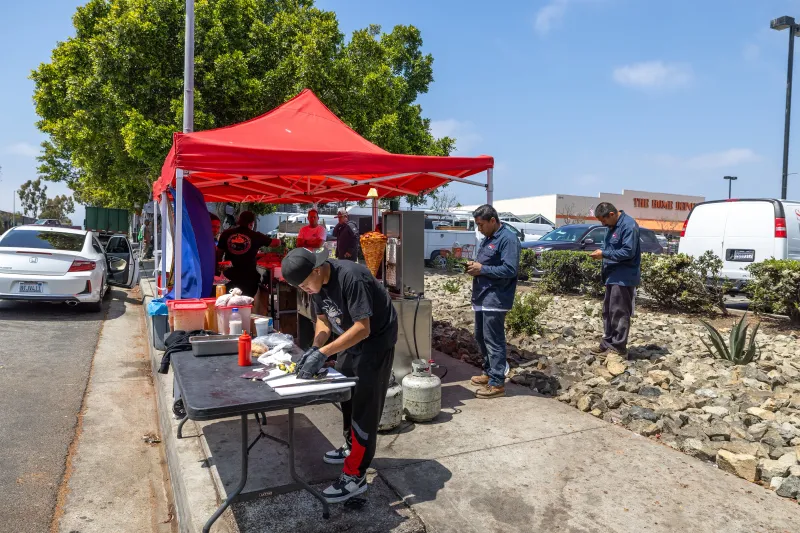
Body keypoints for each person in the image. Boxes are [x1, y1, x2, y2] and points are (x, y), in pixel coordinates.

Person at [281, 247, 397, 503]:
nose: (305, 290)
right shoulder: (316, 286)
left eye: (304, 284)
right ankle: (350, 446)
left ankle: (356, 476)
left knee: (365, 407)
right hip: (349, 338)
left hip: (375, 342)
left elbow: (363, 328)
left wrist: (325, 352)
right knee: (345, 393)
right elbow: (323, 320)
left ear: (316, 270)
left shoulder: (351, 277)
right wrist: (316, 348)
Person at [465, 204, 520, 399]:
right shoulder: (488, 238)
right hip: (482, 296)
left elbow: (510, 269)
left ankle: (497, 383)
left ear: (493, 221)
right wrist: (475, 267)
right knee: (481, 336)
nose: (479, 229)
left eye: (481, 225)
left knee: (493, 339)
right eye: (477, 225)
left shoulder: (508, 239)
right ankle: (489, 372)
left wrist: (482, 269)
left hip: (495, 298)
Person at [589, 202, 641, 357]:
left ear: (611, 214)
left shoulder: (628, 226)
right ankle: (607, 343)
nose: (603, 224)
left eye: (603, 220)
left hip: (623, 276)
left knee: (619, 311)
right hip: (612, 275)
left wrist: (604, 254)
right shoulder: (612, 226)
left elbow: (628, 252)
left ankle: (618, 347)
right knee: (608, 311)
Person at [217, 211, 279, 297]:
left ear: (239, 220)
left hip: (229, 275)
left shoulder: (226, 233)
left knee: (230, 300)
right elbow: (275, 243)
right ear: (252, 223)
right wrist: (280, 240)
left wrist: (217, 271)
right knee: (247, 301)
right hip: (249, 276)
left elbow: (219, 253)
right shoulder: (256, 236)